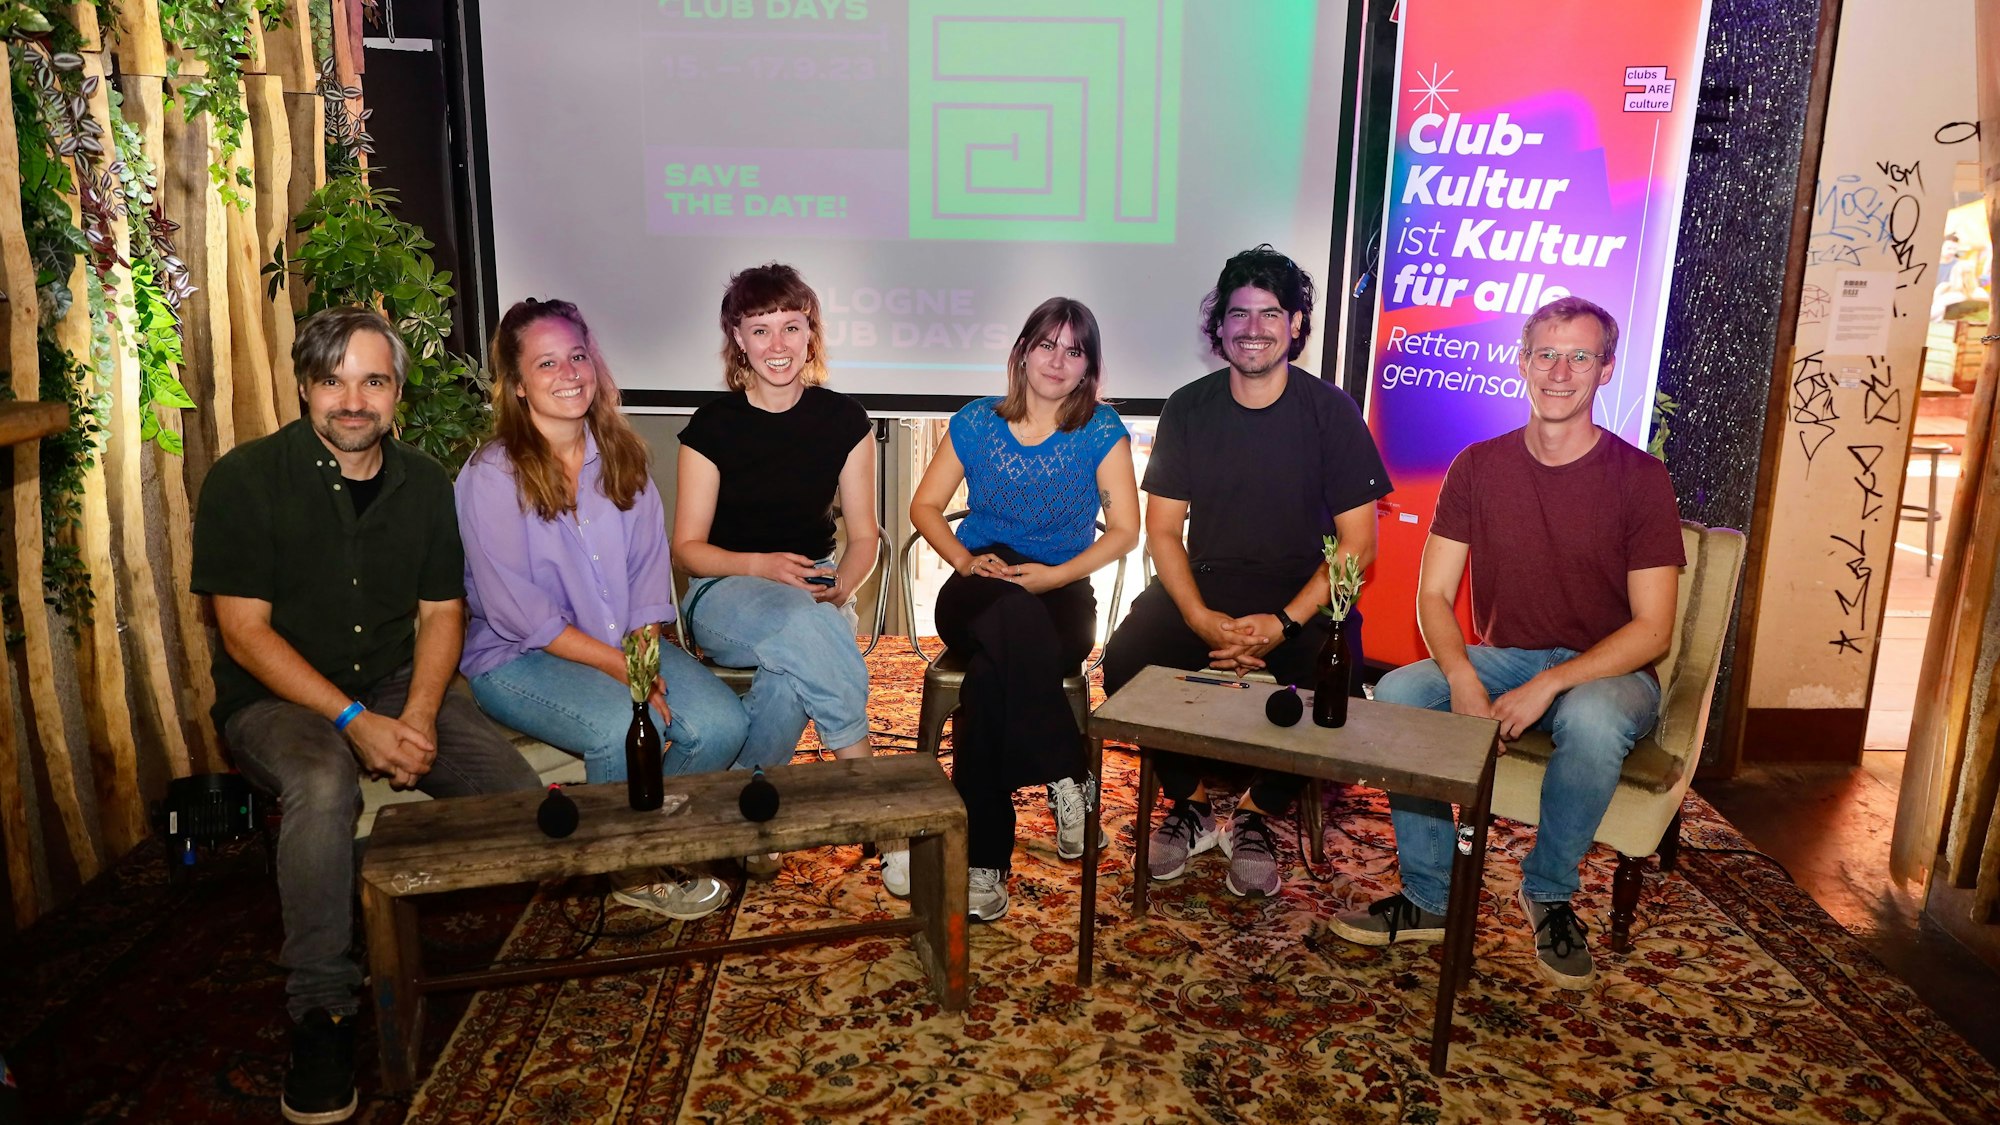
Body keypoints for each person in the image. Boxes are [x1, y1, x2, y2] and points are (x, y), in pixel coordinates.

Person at [192, 307, 540, 1124]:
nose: (354, 400)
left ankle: (527, 938)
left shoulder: (424, 483)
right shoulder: (244, 481)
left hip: (391, 683)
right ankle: (321, 1008)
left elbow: (441, 614)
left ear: (396, 394)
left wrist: (415, 717)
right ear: (307, 386)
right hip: (279, 697)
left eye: (373, 380)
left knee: (515, 791)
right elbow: (243, 632)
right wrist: (356, 723)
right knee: (320, 784)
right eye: (334, 380)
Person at [1328, 295, 1684, 991]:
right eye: (1546, 353)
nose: (1560, 370)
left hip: (1609, 666)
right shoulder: (1477, 466)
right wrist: (1461, 674)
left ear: (1606, 370)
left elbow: (1653, 629)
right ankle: (1430, 895)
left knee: (1591, 714)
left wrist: (1551, 683)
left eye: (1580, 355)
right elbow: (1432, 594)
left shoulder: (1640, 479)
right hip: (1506, 653)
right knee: (1401, 691)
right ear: (1521, 362)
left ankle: (1549, 891)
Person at [1102, 245, 1391, 899]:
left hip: (1301, 591)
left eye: (1269, 313)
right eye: (1238, 314)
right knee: (1125, 661)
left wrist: (1284, 623)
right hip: (1205, 585)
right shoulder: (1187, 408)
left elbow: (1358, 545)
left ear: (1295, 325)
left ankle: (1260, 812)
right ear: (1219, 328)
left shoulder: (1331, 412)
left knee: (1336, 678)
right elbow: (1163, 533)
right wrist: (1201, 617)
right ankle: (1195, 803)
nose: (1252, 327)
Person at [457, 297, 758, 921]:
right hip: (518, 658)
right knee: (620, 728)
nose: (569, 372)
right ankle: (626, 867)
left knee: (722, 726)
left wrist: (640, 668)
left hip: (623, 646)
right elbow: (521, 615)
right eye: (547, 363)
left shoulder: (623, 458)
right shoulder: (490, 475)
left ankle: (655, 838)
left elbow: (649, 587)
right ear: (516, 385)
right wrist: (628, 678)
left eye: (578, 356)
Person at [672, 263, 902, 890]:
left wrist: (843, 588)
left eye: (791, 327)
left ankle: (745, 810)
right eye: (761, 329)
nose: (777, 345)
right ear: (738, 339)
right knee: (807, 631)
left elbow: (863, 538)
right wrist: (760, 566)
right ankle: (874, 803)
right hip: (723, 588)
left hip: (817, 584)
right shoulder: (712, 426)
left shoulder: (843, 420)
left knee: (791, 671)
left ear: (811, 334)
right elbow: (689, 549)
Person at [909, 297, 1139, 921]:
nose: (1057, 361)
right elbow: (924, 507)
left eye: (1074, 350)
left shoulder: (1101, 430)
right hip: (978, 584)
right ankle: (1066, 767)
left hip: (1061, 592)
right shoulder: (978, 422)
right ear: (1021, 353)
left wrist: (1054, 576)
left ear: (1089, 366)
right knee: (1006, 618)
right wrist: (963, 559)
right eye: (1046, 345)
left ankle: (984, 864)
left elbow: (1124, 531)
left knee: (988, 680)